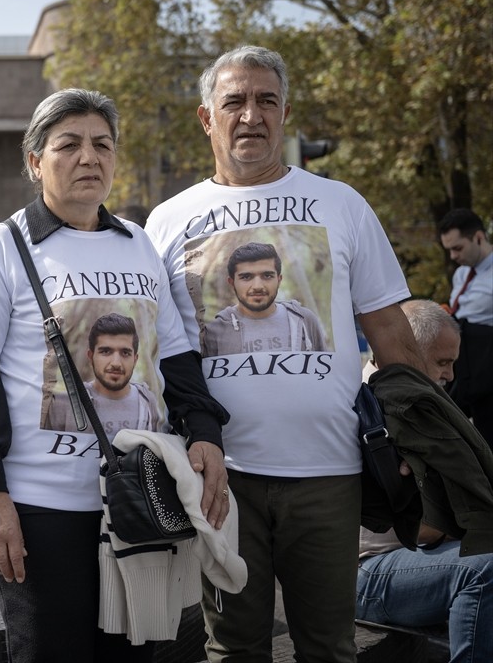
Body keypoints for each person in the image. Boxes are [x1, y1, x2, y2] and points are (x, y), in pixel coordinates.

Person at [146, 45, 429, 663]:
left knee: (329, 647)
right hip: (219, 479)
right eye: (235, 102)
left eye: (266, 101)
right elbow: (154, 353)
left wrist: (425, 442)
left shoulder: (343, 204)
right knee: (233, 649)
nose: (251, 115)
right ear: (206, 118)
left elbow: (391, 332)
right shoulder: (165, 223)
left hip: (329, 473)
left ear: (286, 113)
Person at [0, 88, 231, 662]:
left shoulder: (139, 245)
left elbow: (175, 360)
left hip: (137, 502)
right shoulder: (1, 248)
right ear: (35, 161)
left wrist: (205, 433)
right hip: (40, 511)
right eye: (68, 145)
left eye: (102, 144)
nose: (88, 157)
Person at [356, 299, 491, 663]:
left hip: (412, 560)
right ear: (407, 348)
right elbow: (421, 528)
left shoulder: (420, 404)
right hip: (366, 572)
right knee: (486, 569)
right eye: (443, 362)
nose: (450, 375)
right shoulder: (367, 409)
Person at [203, 242, 327, 355]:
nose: (257, 286)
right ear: (232, 283)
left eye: (267, 276)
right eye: (246, 277)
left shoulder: (305, 320)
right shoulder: (215, 331)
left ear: (279, 280)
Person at [438, 208, 493, 448]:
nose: (453, 256)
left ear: (478, 237)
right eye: (449, 249)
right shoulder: (461, 275)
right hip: (462, 370)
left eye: (458, 248)